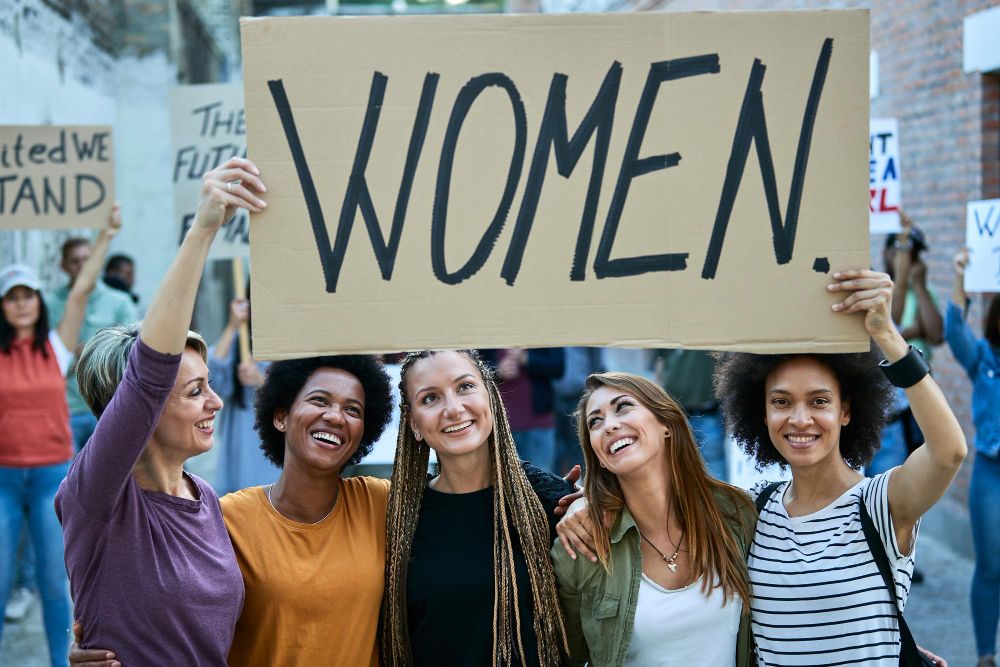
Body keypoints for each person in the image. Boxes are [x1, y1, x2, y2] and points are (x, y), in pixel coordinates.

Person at [55, 158, 266, 665]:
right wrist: (203, 229)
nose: (214, 402)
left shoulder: (207, 498)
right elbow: (151, 373)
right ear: (140, 413)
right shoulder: (97, 498)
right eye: (194, 392)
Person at [713, 268, 966, 664]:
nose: (799, 419)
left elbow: (948, 451)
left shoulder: (881, 504)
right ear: (761, 413)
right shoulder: (751, 511)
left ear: (846, 410)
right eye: (781, 402)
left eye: (819, 401)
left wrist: (887, 337)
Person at [381, 349, 575, 666]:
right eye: (430, 398)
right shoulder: (399, 519)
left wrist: (592, 503)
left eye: (465, 387)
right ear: (413, 422)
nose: (454, 409)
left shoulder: (553, 504)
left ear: (491, 397)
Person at [550, 371, 756, 666]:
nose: (609, 425)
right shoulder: (581, 546)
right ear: (597, 455)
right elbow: (560, 655)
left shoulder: (735, 513)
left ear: (667, 425)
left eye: (623, 407)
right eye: (595, 421)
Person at [0, 207, 118, 667]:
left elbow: (82, 290)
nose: (22, 303)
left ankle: (57, 662)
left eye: (28, 294)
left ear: (38, 301)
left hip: (52, 477)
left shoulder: (55, 343)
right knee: (2, 577)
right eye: (12, 297)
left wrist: (104, 235)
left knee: (54, 583)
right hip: (5, 481)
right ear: (3, 306)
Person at [947, 249, 1000, 667]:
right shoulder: (984, 357)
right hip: (990, 472)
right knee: (990, 567)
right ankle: (985, 655)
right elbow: (953, 329)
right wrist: (961, 277)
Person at [48, 234, 140, 451]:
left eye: (87, 259)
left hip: (109, 406)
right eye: (74, 260)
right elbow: (47, 363)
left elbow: (131, 354)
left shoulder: (120, 302)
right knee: (68, 481)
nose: (81, 266)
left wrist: (82, 352)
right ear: (63, 265)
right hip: (66, 409)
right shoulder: (48, 304)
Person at [870, 213, 944, 475]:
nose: (911, 259)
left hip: (918, 388)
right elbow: (895, 329)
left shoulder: (922, 291)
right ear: (888, 252)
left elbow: (935, 334)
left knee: (917, 461)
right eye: (904, 251)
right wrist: (914, 329)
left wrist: (921, 287)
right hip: (890, 390)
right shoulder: (879, 290)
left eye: (916, 254)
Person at [208, 296, 278, 494]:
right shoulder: (241, 339)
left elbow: (306, 393)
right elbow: (213, 378)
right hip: (241, 445)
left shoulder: (293, 342)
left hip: (277, 445)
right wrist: (232, 324)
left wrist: (263, 381)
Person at [655, 349, 727, 481]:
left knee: (714, 466)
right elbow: (659, 363)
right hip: (676, 413)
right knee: (679, 467)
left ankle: (718, 502)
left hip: (708, 411)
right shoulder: (666, 331)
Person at [496, 347, 565, 473]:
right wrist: (497, 371)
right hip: (498, 424)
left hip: (538, 422)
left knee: (542, 484)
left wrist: (527, 359)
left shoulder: (543, 331)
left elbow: (558, 367)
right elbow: (473, 368)